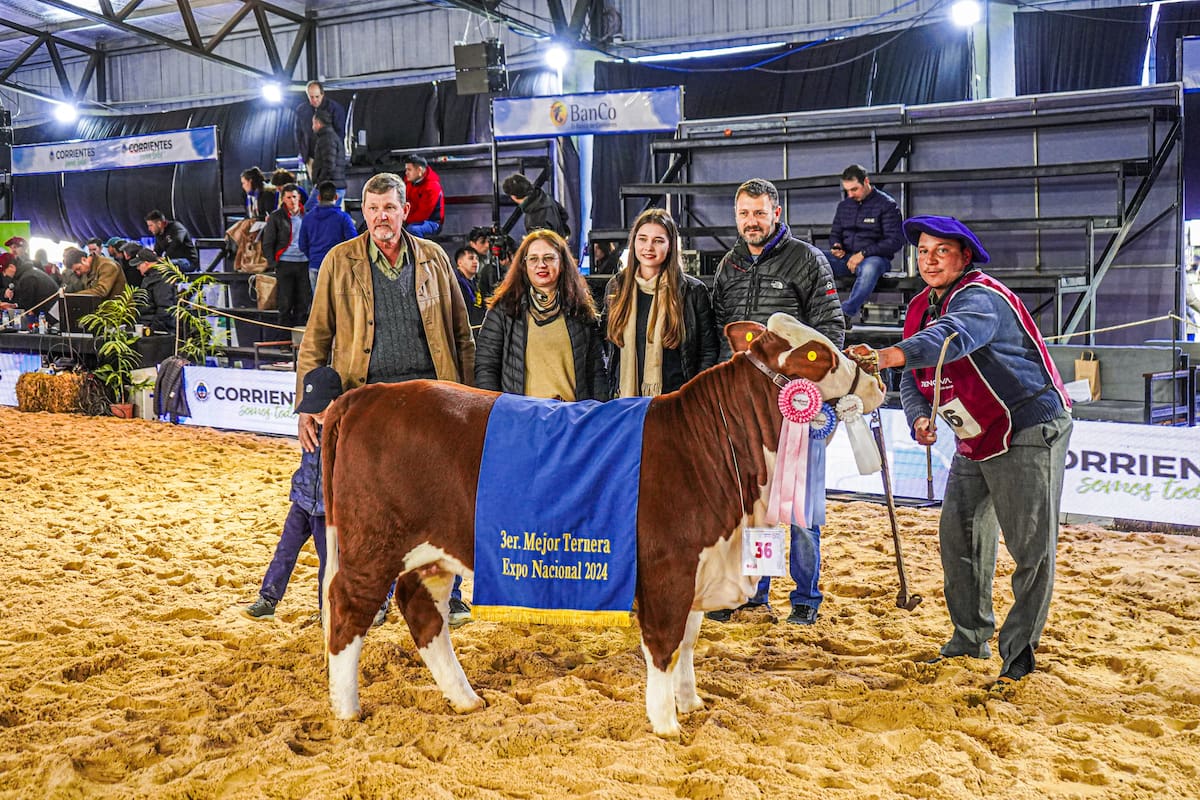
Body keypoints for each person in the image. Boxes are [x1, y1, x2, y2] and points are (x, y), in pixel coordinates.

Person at [848, 215, 1073, 687]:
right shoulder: (918, 307)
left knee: (1031, 548)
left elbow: (949, 340)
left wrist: (888, 354)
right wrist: (917, 418)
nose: (929, 259)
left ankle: (1019, 657)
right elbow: (912, 381)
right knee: (959, 536)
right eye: (923, 250)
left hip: (1027, 426)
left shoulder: (981, 297)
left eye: (941, 251)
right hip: (975, 435)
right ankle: (970, 639)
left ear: (964, 257)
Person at [295, 171, 475, 626]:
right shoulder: (339, 261)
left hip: (432, 403)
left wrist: (470, 399)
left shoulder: (434, 258)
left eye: (389, 208)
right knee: (371, 508)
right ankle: (371, 597)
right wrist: (306, 407)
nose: (381, 218)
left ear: (405, 211)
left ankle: (444, 595)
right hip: (368, 405)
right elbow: (316, 337)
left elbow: (460, 333)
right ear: (363, 213)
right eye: (373, 209)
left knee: (438, 502)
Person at [709, 177, 844, 626]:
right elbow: (719, 335)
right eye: (744, 213)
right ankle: (756, 593)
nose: (751, 221)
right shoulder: (729, 266)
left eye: (759, 212)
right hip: (746, 411)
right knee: (756, 506)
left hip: (797, 405)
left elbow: (831, 331)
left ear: (776, 214)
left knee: (802, 509)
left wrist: (810, 393)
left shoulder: (807, 261)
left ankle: (805, 597)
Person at [245, 366, 343, 622]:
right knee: (285, 550)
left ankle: (328, 612)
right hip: (302, 500)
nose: (316, 412)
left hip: (328, 508)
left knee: (328, 561)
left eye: (321, 405)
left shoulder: (347, 430)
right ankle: (268, 598)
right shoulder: (311, 423)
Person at [475, 228, 608, 401]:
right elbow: (486, 367)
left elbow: (596, 371)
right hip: (523, 419)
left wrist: (599, 415)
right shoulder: (504, 310)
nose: (541, 265)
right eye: (533, 259)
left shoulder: (580, 310)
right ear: (524, 266)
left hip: (573, 418)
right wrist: (498, 412)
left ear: (562, 264)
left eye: (549, 258)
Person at [602, 208, 718, 399]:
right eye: (643, 239)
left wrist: (695, 397)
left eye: (658, 241)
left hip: (676, 404)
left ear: (671, 245)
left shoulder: (693, 291)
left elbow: (708, 352)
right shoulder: (616, 287)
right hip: (624, 402)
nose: (648, 247)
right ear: (633, 242)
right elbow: (608, 347)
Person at [824, 164, 904, 329]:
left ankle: (845, 314)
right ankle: (810, 310)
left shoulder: (886, 205)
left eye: (854, 189)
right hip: (845, 258)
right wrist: (836, 245)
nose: (850, 194)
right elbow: (835, 233)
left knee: (869, 269)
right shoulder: (844, 206)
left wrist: (864, 253)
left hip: (874, 258)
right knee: (814, 258)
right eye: (847, 190)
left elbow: (894, 240)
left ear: (866, 182)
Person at [261, 184, 311, 330]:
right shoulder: (276, 216)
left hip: (304, 263)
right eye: (288, 197)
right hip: (285, 262)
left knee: (303, 303)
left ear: (299, 197)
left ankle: (300, 342)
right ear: (283, 199)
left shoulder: (307, 215)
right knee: (285, 303)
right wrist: (273, 262)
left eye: (294, 197)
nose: (292, 200)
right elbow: (268, 241)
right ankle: (284, 341)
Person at [299, 180, 357, 290]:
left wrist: (313, 256)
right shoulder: (343, 218)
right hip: (337, 267)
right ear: (336, 197)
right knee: (338, 304)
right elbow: (353, 243)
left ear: (318, 198)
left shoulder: (307, 218)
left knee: (319, 304)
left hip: (315, 266)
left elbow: (302, 244)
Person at [295, 80, 347, 178]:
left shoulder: (335, 109)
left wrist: (335, 155)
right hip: (311, 157)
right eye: (311, 97)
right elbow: (299, 133)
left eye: (317, 97)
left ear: (322, 94)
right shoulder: (302, 110)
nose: (314, 100)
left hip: (330, 157)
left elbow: (340, 133)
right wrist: (304, 154)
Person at [501, 173, 569, 239]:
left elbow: (541, 246)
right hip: (560, 245)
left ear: (513, 197)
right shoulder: (546, 197)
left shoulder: (533, 220)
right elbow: (564, 215)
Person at [308, 109, 348, 212]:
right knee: (330, 218)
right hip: (336, 185)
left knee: (308, 212)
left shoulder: (326, 139)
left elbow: (329, 164)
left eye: (313, 123)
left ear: (318, 123)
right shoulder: (332, 137)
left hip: (329, 187)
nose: (312, 127)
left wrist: (320, 182)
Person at [130, 247, 176, 333]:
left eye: (139, 265)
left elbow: (165, 308)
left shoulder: (161, 279)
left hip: (159, 331)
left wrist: (152, 329)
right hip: (148, 325)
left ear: (146, 263)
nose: (137, 268)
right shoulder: (150, 277)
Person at [1, 252, 59, 319]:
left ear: (12, 267)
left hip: (53, 317)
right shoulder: (29, 272)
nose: (4, 275)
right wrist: (13, 305)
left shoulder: (27, 278)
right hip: (51, 313)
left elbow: (27, 304)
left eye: (4, 271)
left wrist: (12, 306)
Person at [402, 154, 444, 238]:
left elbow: (422, 214)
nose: (406, 173)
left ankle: (418, 251)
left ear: (419, 170)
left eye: (409, 170)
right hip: (410, 219)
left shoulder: (432, 187)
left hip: (432, 222)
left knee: (413, 229)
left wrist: (403, 219)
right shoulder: (409, 182)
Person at [453, 246, 486, 328]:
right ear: (459, 262)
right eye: (471, 258)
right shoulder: (456, 283)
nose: (475, 262)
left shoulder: (475, 282)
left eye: (477, 259)